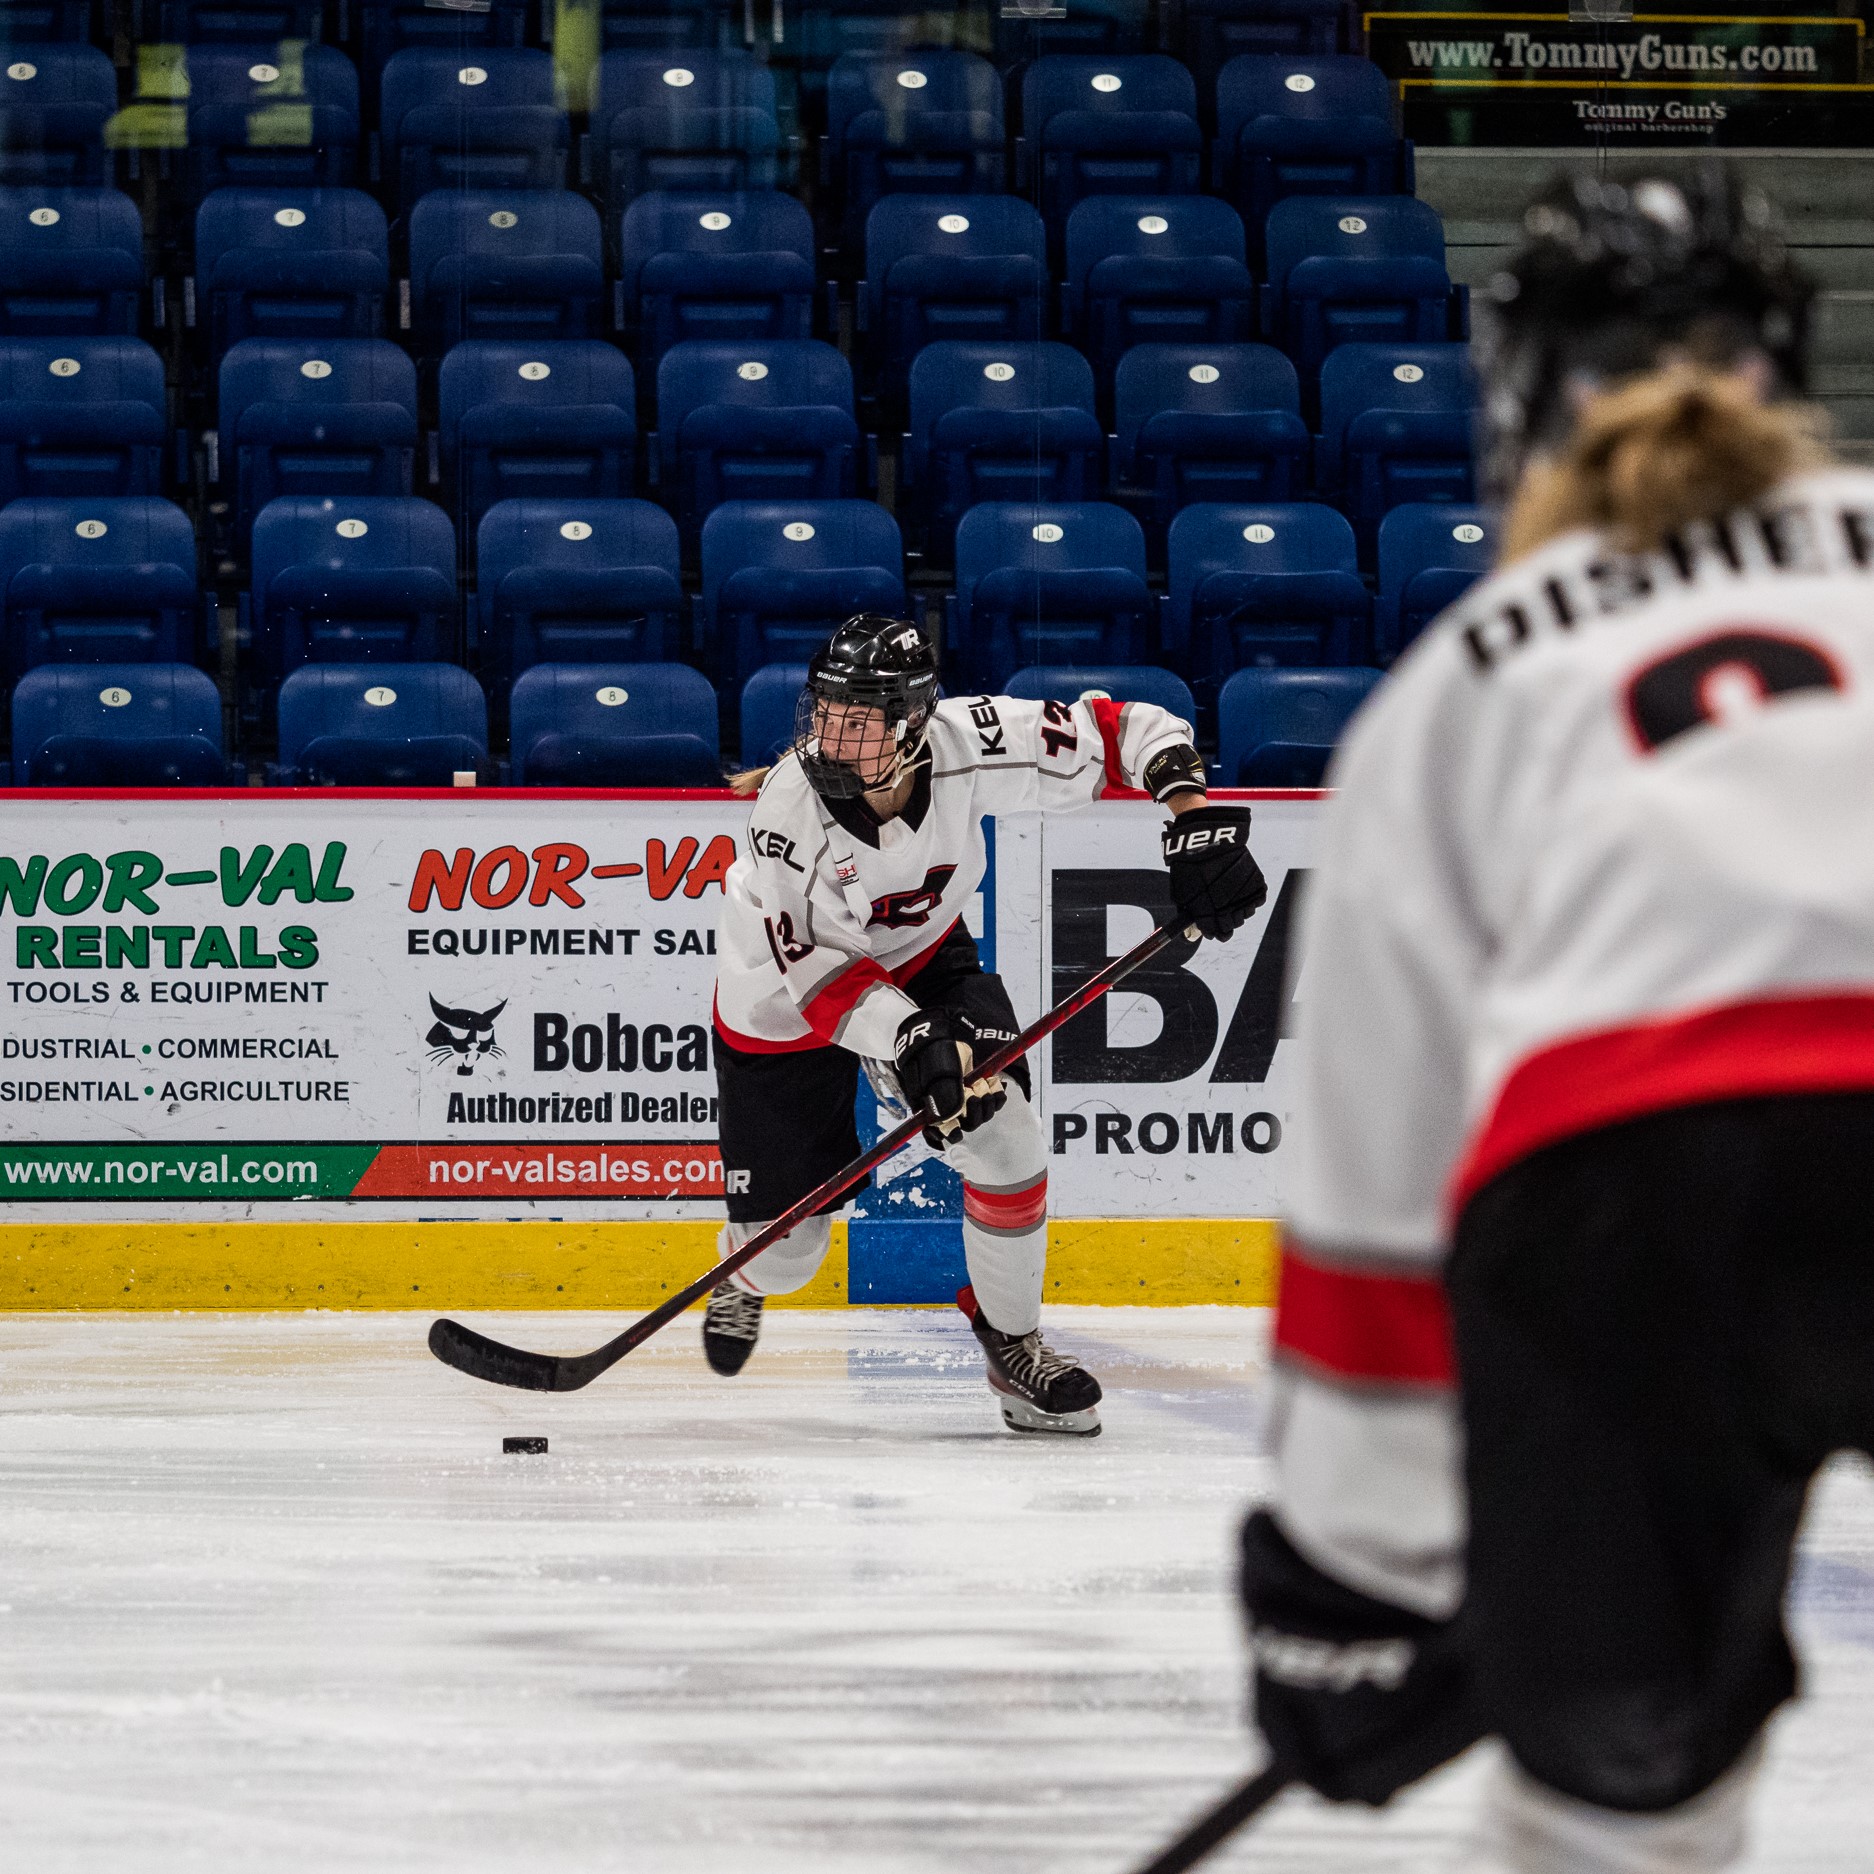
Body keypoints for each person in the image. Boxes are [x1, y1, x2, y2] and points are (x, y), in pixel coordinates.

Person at [1239, 162, 1874, 1870]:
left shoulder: (1467, 674)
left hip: (1624, 1201)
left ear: (1516, 402)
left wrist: (1353, 1577)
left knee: (1617, 1795)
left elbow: (1376, 1183)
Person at [706, 613, 1268, 1434]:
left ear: (909, 724)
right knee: (788, 1259)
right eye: (824, 715)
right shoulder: (791, 810)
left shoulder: (972, 738)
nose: (830, 739)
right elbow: (826, 981)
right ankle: (740, 1275)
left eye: (856, 722)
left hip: (927, 955)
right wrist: (909, 1040)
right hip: (783, 998)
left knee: (1007, 1138)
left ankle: (1014, 1351)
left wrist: (1190, 815)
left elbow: (1127, 730)